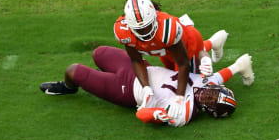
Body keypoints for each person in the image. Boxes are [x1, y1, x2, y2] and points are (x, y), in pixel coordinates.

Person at [113, 0, 253, 123]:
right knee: (192, 80)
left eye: (146, 26)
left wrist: (179, 96)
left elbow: (184, 63)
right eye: (139, 29)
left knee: (191, 80)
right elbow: (137, 59)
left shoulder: (167, 31)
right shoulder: (125, 31)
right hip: (168, 50)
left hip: (188, 43)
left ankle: (213, 44)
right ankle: (214, 42)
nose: (144, 32)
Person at [39, 46, 251, 126]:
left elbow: (141, 115)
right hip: (142, 69)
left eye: (212, 101)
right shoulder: (208, 83)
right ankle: (96, 78)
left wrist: (154, 115)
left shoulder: (183, 113)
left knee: (73, 71)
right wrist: (239, 66)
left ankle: (69, 87)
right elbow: (223, 74)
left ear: (211, 112)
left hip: (127, 89)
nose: (209, 95)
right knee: (99, 53)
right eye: (215, 93)